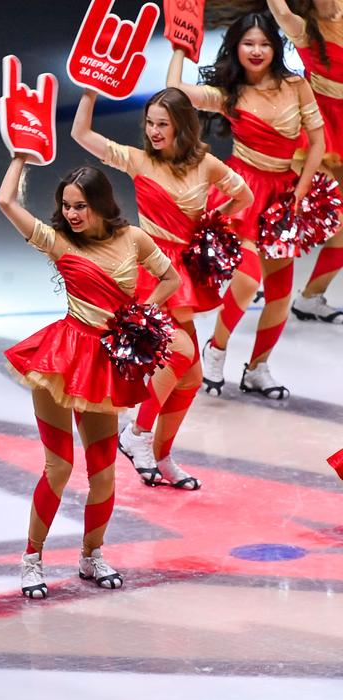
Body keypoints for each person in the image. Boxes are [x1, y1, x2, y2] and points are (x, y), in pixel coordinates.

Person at [0, 156, 181, 599]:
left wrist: (143, 314)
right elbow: (5, 200)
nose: (73, 215)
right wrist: (20, 158)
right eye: (67, 206)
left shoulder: (133, 237)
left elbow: (170, 278)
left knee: (104, 475)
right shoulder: (61, 242)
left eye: (80, 206)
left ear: (100, 204)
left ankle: (91, 555)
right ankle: (32, 558)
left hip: (106, 365)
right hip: (62, 359)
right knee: (58, 467)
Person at [72, 87, 253, 489]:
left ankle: (163, 455)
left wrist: (212, 222)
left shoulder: (205, 164)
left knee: (189, 377)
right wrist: (88, 93)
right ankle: (135, 436)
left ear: (182, 127)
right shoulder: (138, 160)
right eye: (149, 123)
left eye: (162, 124)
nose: (153, 131)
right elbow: (82, 134)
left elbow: (244, 194)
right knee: (183, 354)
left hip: (184, 270)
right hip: (151, 268)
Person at [167, 11, 326, 399]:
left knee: (280, 294)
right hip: (243, 193)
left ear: (275, 47)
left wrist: (300, 194)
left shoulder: (296, 85)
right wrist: (179, 47)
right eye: (248, 44)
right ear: (235, 48)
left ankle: (257, 369)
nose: (256, 51)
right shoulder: (229, 93)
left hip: (285, 193)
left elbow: (318, 141)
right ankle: (217, 349)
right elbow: (175, 88)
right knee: (248, 278)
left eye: (264, 44)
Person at [266, 0, 343, 322]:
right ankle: (257, 269)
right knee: (325, 207)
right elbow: (281, 13)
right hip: (318, 128)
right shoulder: (304, 26)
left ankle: (311, 298)